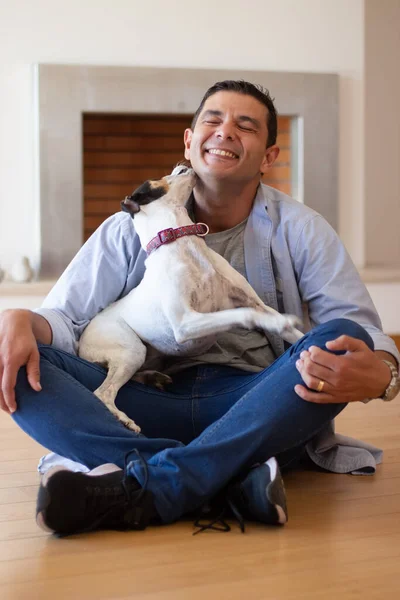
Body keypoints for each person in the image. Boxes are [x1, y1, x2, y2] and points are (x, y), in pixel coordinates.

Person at [0, 80, 399, 537]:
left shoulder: (304, 230)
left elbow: (367, 335)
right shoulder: (126, 227)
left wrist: (385, 375)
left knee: (338, 336)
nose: (226, 131)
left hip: (254, 402)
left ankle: (144, 479)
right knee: (23, 368)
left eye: (245, 126)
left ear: (269, 157)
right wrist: (20, 319)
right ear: (189, 143)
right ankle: (222, 478)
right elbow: (64, 322)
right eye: (213, 120)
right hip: (147, 399)